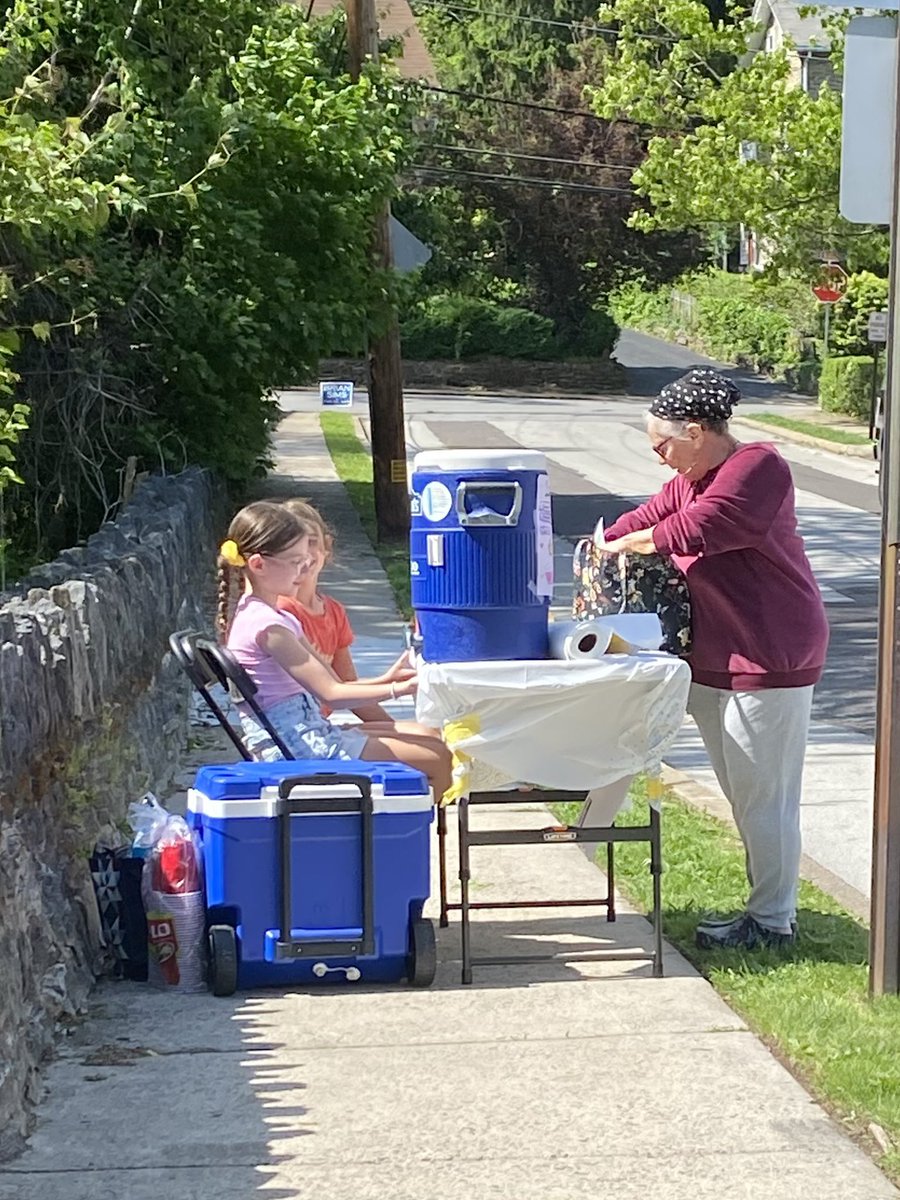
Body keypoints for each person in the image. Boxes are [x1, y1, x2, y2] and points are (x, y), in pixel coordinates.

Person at [600, 368, 829, 951]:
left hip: (769, 651)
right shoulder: (690, 479)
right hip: (715, 653)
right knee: (744, 796)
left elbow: (698, 528)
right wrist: (604, 543)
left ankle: (772, 921)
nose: (659, 458)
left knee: (765, 799)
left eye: (662, 445)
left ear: (696, 432)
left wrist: (630, 544)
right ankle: (765, 910)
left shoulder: (757, 467)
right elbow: (647, 516)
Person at [217, 500, 452, 801]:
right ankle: (397, 828)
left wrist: (387, 679)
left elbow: (335, 682)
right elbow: (331, 695)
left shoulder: (274, 616)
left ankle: (397, 822)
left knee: (431, 737)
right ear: (258, 565)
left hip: (307, 734)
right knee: (439, 758)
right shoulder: (267, 627)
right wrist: (399, 689)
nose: (303, 569)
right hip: (298, 749)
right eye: (295, 561)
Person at [276, 498, 391, 723]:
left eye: (311, 542)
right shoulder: (282, 611)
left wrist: (393, 726)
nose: (303, 553)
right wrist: (395, 687)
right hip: (301, 729)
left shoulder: (334, 611)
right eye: (290, 544)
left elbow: (347, 685)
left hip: (321, 725)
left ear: (326, 547)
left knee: (425, 736)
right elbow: (333, 691)